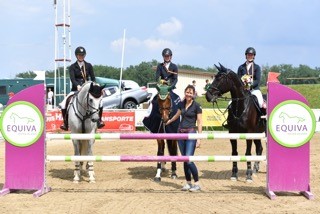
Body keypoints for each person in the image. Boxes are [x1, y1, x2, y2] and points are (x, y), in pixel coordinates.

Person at [167, 84, 203, 192]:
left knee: (189, 159)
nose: (188, 94)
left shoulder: (197, 106)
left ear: (193, 94)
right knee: (184, 159)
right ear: (185, 92)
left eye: (190, 92)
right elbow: (177, 115)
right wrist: (169, 121)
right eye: (187, 92)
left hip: (191, 133)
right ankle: (188, 183)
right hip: (180, 133)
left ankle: (197, 183)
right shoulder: (181, 104)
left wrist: (199, 138)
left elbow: (200, 122)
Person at [59, 46, 105, 131]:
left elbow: (93, 78)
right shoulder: (72, 67)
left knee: (100, 102)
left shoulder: (88, 65)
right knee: (63, 103)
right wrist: (77, 85)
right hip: (76, 89)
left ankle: (99, 120)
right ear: (76, 56)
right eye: (79, 55)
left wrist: (96, 87)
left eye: (82, 55)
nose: (81, 56)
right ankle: (65, 123)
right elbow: (72, 79)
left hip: (87, 89)